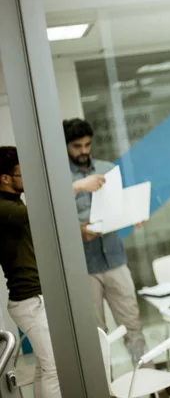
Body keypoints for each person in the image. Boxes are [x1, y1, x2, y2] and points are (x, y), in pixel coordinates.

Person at [0, 146, 106, 398]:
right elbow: (39, 212)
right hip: (28, 301)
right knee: (54, 367)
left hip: (35, 298)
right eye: (21, 173)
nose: (28, 179)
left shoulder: (13, 204)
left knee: (46, 366)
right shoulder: (4, 208)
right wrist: (78, 186)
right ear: (5, 178)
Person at [62, 118, 148, 365]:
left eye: (87, 145)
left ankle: (147, 376)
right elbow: (52, 219)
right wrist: (77, 190)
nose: (84, 151)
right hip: (84, 268)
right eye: (77, 146)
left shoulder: (107, 169)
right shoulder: (61, 180)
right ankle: (103, 389)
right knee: (96, 334)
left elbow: (120, 207)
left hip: (115, 259)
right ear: (66, 146)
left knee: (133, 324)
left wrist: (135, 217)